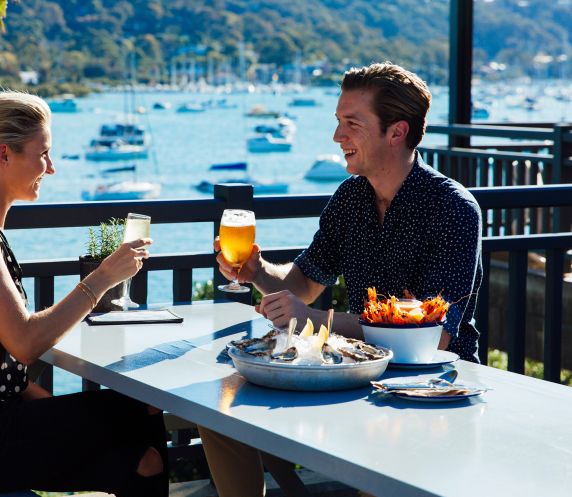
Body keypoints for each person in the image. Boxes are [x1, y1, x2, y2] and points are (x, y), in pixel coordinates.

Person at [200, 62, 483, 497]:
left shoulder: (453, 209)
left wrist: (314, 319)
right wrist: (256, 272)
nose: (337, 137)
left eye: (351, 124)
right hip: (353, 377)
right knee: (220, 413)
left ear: (396, 132)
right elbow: (300, 285)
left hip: (430, 392)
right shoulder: (350, 198)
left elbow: (431, 340)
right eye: (338, 122)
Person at [0, 91, 167, 496]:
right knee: (139, 412)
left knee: (137, 463)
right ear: (3, 154)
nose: (51, 168)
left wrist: (51, 407)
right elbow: (24, 343)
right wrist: (103, 277)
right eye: (43, 154)